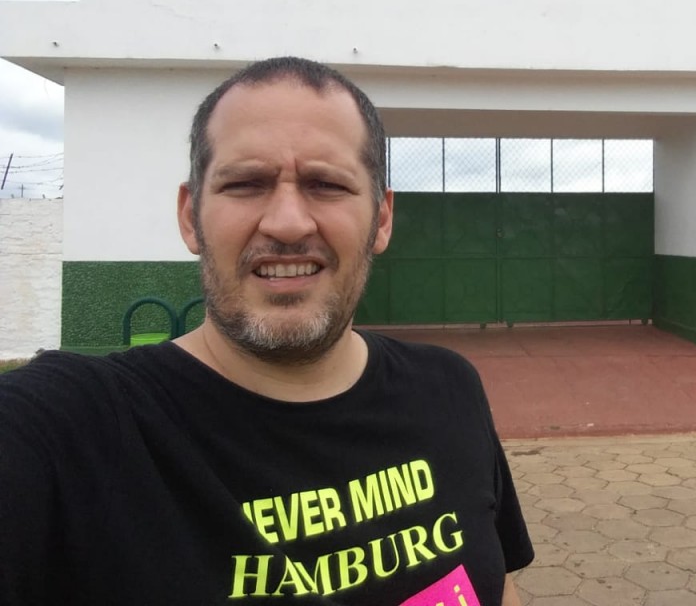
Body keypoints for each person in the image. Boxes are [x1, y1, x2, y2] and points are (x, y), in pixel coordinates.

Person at [0, 57, 533, 605]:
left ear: (382, 219)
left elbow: (500, 585)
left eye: (326, 184)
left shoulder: (450, 390)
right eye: (247, 183)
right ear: (190, 217)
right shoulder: (70, 431)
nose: (287, 223)